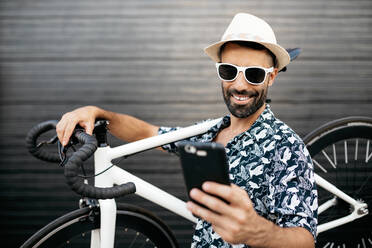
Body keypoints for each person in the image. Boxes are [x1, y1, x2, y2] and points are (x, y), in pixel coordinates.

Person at [56, 13, 317, 248]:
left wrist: (257, 232)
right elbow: (150, 134)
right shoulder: (209, 131)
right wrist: (99, 113)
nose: (239, 85)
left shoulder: (286, 145)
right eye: (229, 71)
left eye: (254, 75)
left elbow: (305, 240)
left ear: (271, 77)